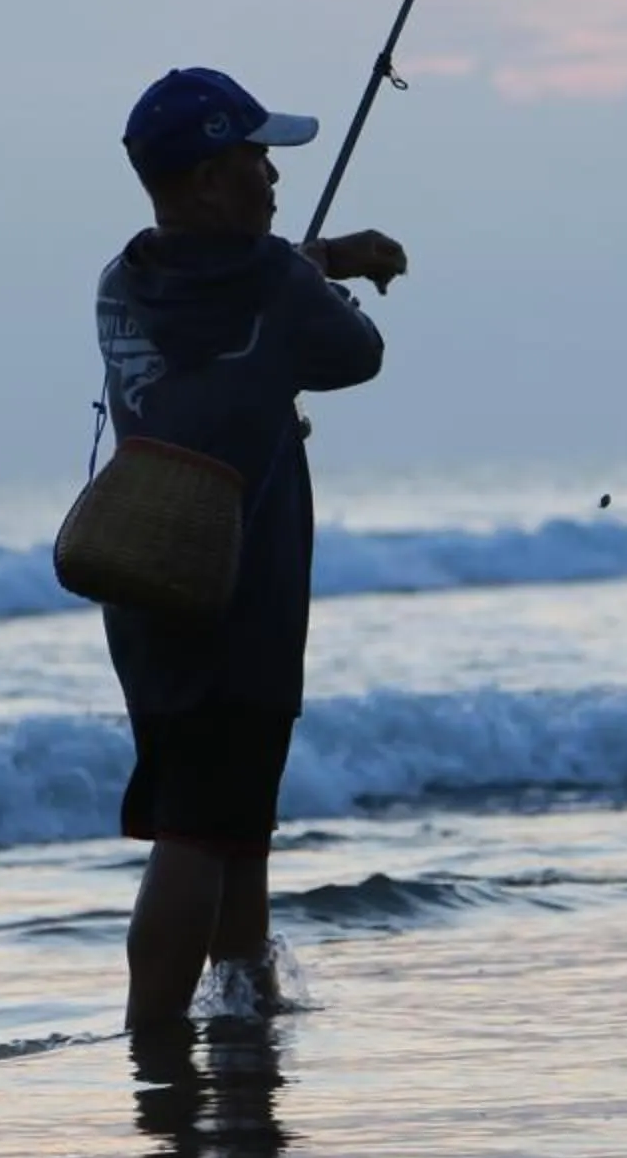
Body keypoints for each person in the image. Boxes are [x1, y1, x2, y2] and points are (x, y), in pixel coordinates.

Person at [95, 65, 405, 1034]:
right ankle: (154, 1042)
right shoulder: (270, 285)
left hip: (145, 583)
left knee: (231, 822)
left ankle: (242, 1016)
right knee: (199, 828)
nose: (273, 176)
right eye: (254, 157)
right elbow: (357, 355)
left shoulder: (123, 281)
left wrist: (312, 259)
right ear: (200, 180)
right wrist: (316, 270)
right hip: (243, 595)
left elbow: (233, 296)